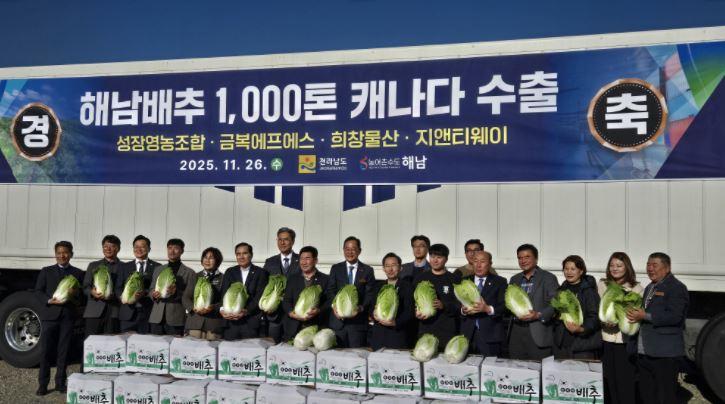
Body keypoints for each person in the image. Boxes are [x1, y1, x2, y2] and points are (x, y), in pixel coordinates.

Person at [626, 253, 689, 404]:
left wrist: (645, 316)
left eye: (654, 265)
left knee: (665, 396)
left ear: (667, 268)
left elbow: (675, 316)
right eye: (648, 265)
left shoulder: (676, 287)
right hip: (646, 353)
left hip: (664, 354)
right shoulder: (650, 287)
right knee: (647, 395)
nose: (650, 268)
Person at [35, 241, 84, 396]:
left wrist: (74, 294)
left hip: (67, 316)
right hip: (50, 316)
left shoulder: (78, 273)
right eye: (59, 253)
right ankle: (43, 384)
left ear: (71, 254)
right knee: (46, 351)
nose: (62, 255)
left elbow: (81, 298)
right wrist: (49, 300)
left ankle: (60, 383)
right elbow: (38, 291)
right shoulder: (46, 271)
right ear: (55, 254)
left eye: (65, 252)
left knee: (64, 350)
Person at [597, 252, 643, 404]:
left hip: (625, 342)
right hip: (606, 339)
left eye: (619, 265)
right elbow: (596, 309)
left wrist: (622, 320)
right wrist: (604, 322)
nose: (614, 268)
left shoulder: (636, 288)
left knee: (625, 382)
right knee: (609, 381)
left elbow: (637, 315)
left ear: (627, 267)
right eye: (612, 265)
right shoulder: (603, 285)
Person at [508, 243, 559, 360]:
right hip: (517, 334)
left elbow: (555, 303)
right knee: (516, 368)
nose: (523, 261)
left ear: (536, 259)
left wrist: (538, 315)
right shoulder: (514, 279)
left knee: (539, 369)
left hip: (538, 332)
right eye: (520, 258)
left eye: (527, 257)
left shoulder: (548, 278)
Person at [328, 236, 376, 348]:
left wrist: (361, 308)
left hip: (358, 324)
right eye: (347, 249)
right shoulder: (336, 268)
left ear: (359, 251)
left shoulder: (367, 270)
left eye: (353, 249)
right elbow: (330, 290)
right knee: (336, 355)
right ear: (343, 250)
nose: (350, 252)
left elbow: (370, 294)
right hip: (338, 323)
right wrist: (334, 306)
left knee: (356, 355)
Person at [552, 255, 601, 359]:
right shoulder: (560, 291)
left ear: (581, 271)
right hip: (562, 345)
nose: (569, 272)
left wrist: (582, 329)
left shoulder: (589, 291)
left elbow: (594, 316)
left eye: (573, 269)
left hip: (582, 346)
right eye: (566, 269)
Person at [413, 243, 460, 348]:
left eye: (439, 257)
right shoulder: (420, 278)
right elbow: (413, 302)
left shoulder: (454, 279)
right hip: (425, 329)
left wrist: (444, 306)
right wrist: (416, 312)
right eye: (432, 257)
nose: (435, 260)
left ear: (446, 259)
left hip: (447, 332)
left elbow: (459, 307)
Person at [459, 251, 507, 355]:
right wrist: (462, 310)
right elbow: (456, 305)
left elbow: (504, 306)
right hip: (467, 335)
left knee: (489, 365)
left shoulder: (500, 282)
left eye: (482, 261)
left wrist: (487, 309)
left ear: (490, 264)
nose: (478, 265)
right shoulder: (463, 281)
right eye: (475, 261)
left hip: (490, 335)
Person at [281, 246, 332, 341]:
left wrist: (319, 310)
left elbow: (329, 301)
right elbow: (286, 300)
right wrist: (291, 313)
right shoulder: (292, 278)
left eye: (307, 258)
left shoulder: (325, 279)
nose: (304, 262)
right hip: (293, 327)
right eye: (301, 259)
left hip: (316, 327)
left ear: (315, 260)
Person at [221, 242, 269, 339]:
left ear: (251, 255)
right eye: (238, 254)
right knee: (228, 348)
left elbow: (259, 296)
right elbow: (223, 293)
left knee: (249, 348)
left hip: (250, 322)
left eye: (245, 253)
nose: (241, 257)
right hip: (231, 322)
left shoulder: (261, 273)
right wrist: (222, 310)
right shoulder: (230, 272)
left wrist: (246, 311)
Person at [148, 238, 196, 336]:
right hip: (156, 317)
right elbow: (151, 288)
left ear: (182, 251)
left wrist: (176, 292)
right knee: (154, 344)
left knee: (175, 345)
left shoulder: (190, 273)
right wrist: (153, 294)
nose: (172, 251)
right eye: (169, 248)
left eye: (176, 248)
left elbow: (190, 296)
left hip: (176, 318)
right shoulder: (158, 269)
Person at [369, 253, 414, 350]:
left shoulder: (407, 287)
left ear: (400, 268)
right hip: (379, 336)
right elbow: (371, 308)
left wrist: (395, 323)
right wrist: (373, 314)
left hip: (397, 336)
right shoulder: (378, 286)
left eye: (393, 265)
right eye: (387, 266)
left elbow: (409, 312)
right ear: (383, 269)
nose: (390, 269)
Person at [116, 235, 160, 333]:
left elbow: (157, 288)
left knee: (145, 341)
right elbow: (118, 287)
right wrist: (123, 297)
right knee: (125, 340)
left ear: (149, 249)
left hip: (148, 313)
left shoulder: (157, 267)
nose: (139, 249)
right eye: (136, 247)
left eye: (142, 247)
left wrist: (144, 293)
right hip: (127, 313)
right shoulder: (124, 266)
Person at [262, 227, 299, 342]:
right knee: (273, 346)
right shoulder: (270, 262)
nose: (282, 243)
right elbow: (263, 285)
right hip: (274, 315)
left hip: (294, 313)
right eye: (280, 239)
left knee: (292, 346)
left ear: (293, 241)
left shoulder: (301, 260)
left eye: (286, 239)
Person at [82, 234, 121, 336]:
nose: (108, 249)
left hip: (114, 311)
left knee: (111, 342)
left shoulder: (124, 267)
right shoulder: (93, 265)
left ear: (118, 248)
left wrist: (114, 295)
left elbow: (123, 289)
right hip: (94, 311)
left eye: (112, 246)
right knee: (91, 342)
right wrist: (92, 292)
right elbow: (85, 287)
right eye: (105, 246)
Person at [183, 247, 225, 340]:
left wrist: (213, 307)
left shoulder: (223, 278)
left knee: (212, 348)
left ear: (218, 261)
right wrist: (193, 308)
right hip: (194, 322)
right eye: (205, 257)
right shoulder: (195, 276)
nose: (207, 260)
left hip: (214, 324)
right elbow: (186, 297)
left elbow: (224, 301)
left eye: (211, 258)